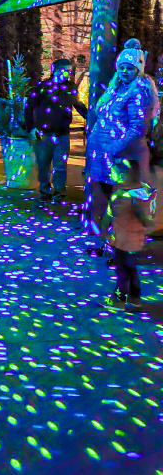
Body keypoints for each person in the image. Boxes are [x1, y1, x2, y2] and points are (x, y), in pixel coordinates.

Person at [87, 42, 157, 307]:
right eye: (122, 67)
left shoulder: (139, 91)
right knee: (104, 205)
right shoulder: (116, 88)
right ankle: (112, 245)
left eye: (130, 67)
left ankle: (123, 268)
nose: (125, 71)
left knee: (121, 207)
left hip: (121, 161)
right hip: (104, 160)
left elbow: (137, 127)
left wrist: (114, 150)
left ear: (138, 69)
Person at [26, 58, 86, 205]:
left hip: (62, 134)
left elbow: (78, 105)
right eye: (65, 71)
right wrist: (31, 127)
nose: (68, 74)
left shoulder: (70, 88)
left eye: (70, 72)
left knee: (60, 166)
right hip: (44, 134)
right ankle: (44, 190)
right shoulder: (42, 88)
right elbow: (29, 108)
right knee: (43, 164)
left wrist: (91, 118)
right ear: (56, 71)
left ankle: (59, 192)